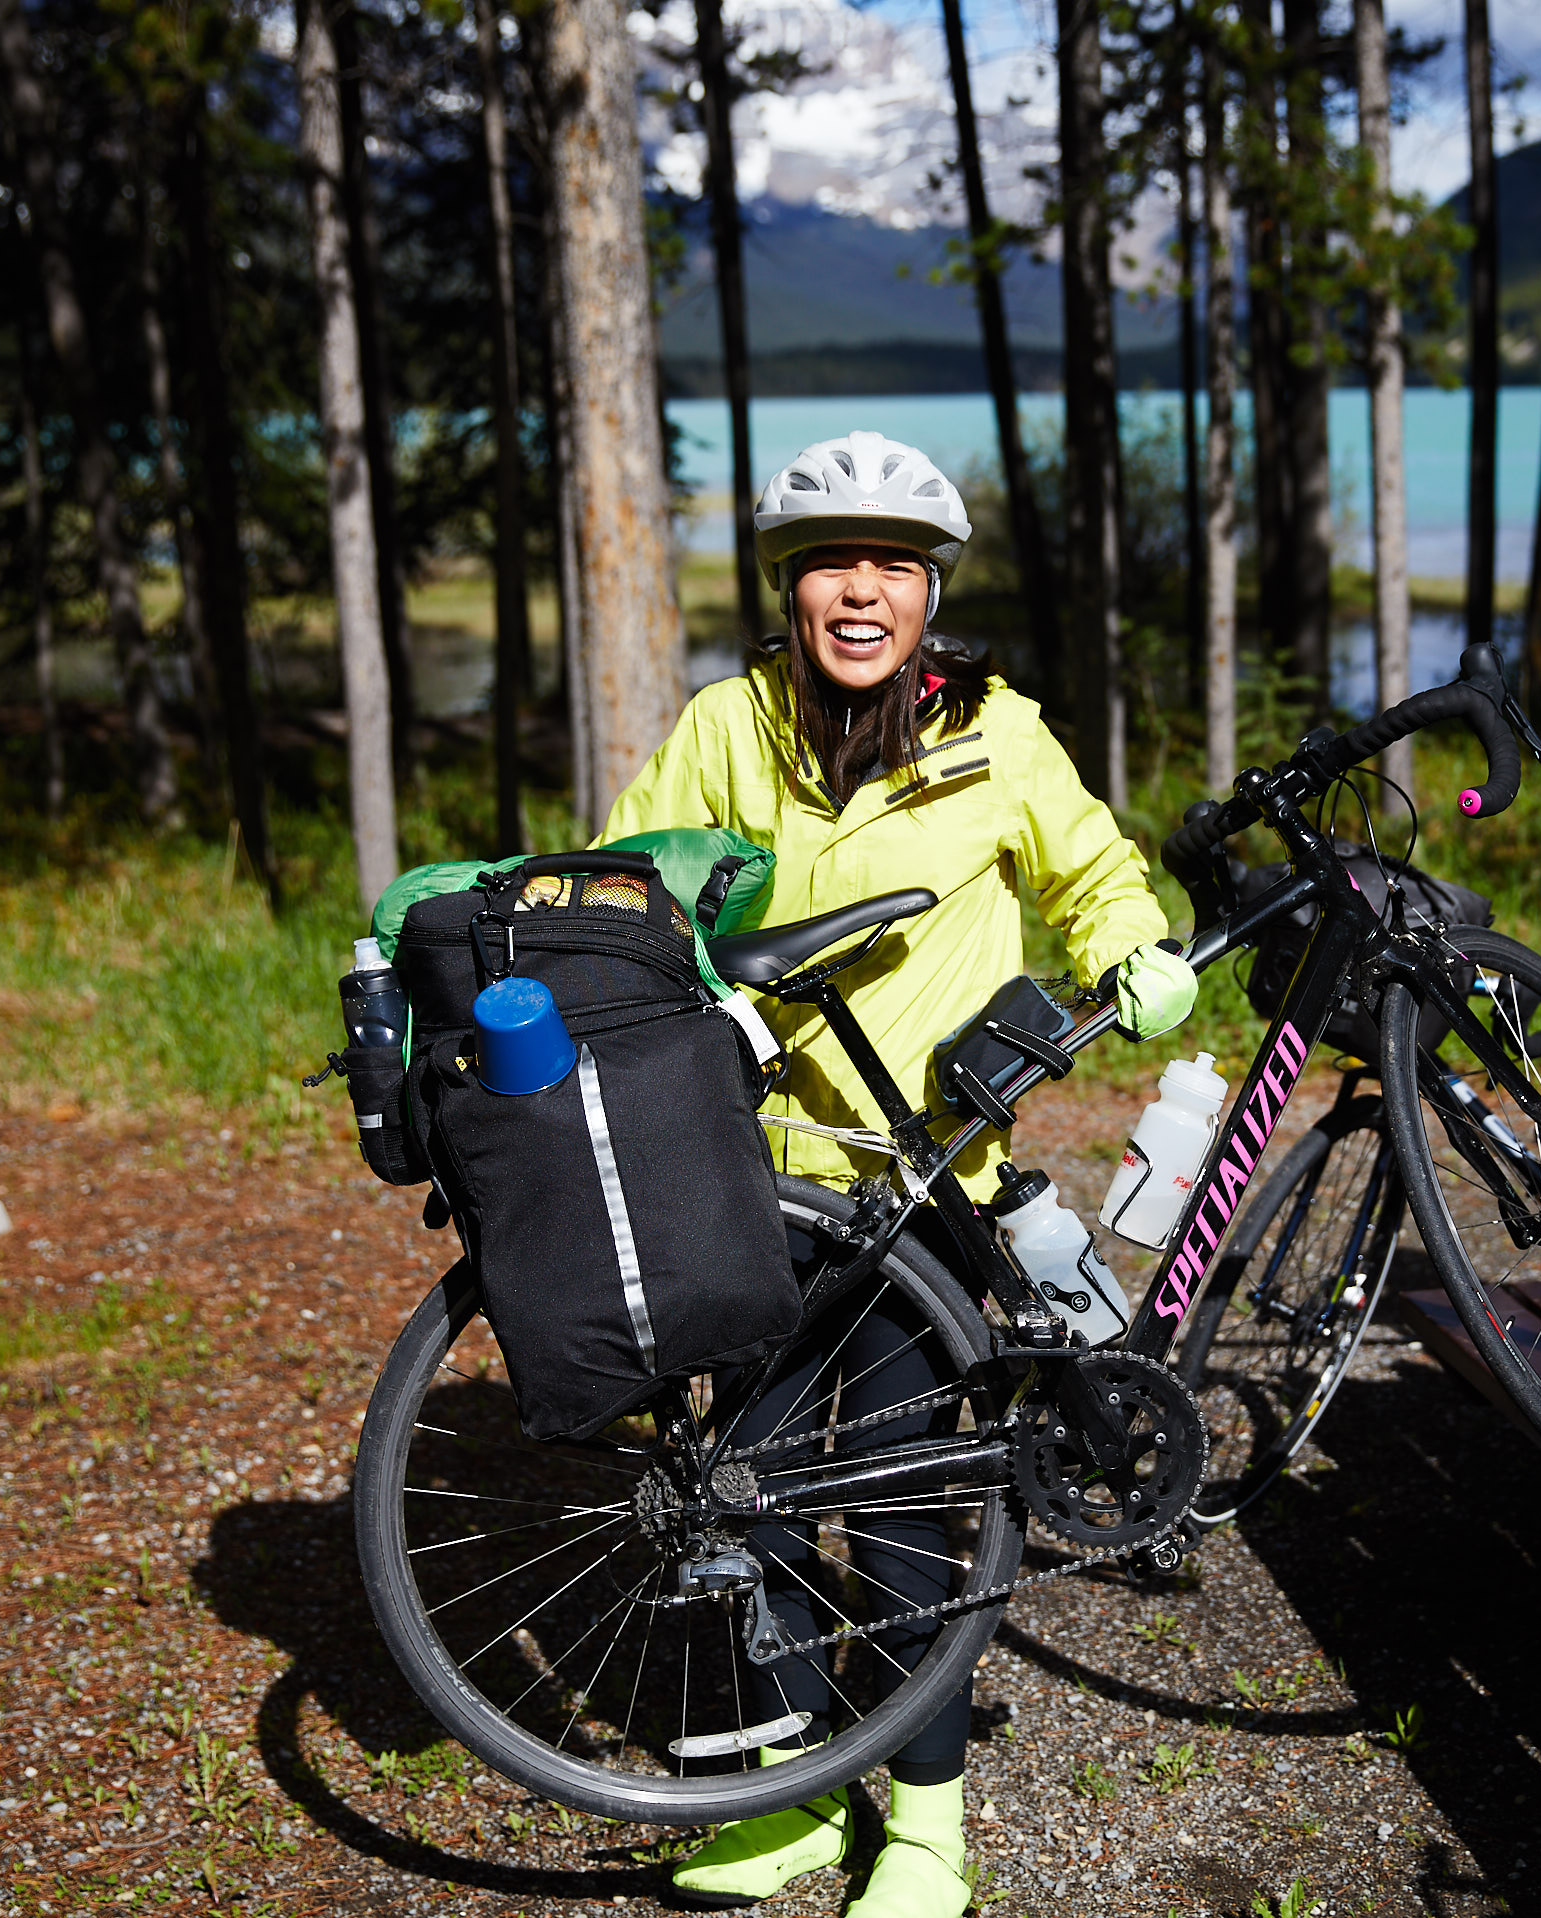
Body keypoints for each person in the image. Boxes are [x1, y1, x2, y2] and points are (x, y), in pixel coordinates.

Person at [596, 431, 1196, 1916]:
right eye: (830, 568)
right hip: (761, 1175)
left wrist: (1134, 942)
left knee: (912, 1499)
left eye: (892, 569)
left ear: (930, 593)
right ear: (789, 588)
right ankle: (784, 1801)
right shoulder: (731, 729)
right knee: (750, 1495)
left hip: (927, 1186)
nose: (860, 594)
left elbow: (1088, 862)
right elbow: (630, 875)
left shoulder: (1000, 732)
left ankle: (929, 1828)